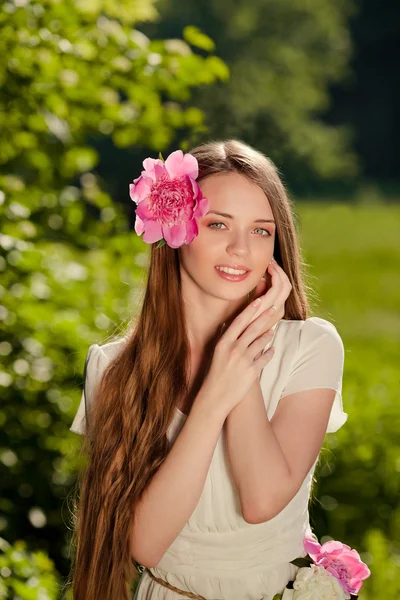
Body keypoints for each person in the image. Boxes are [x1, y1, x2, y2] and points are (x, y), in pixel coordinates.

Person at [68, 139, 348, 600]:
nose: (241, 249)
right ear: (172, 229)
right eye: (218, 224)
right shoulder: (113, 368)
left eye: (262, 231)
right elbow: (145, 544)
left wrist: (242, 348)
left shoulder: (312, 346)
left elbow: (261, 501)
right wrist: (216, 392)